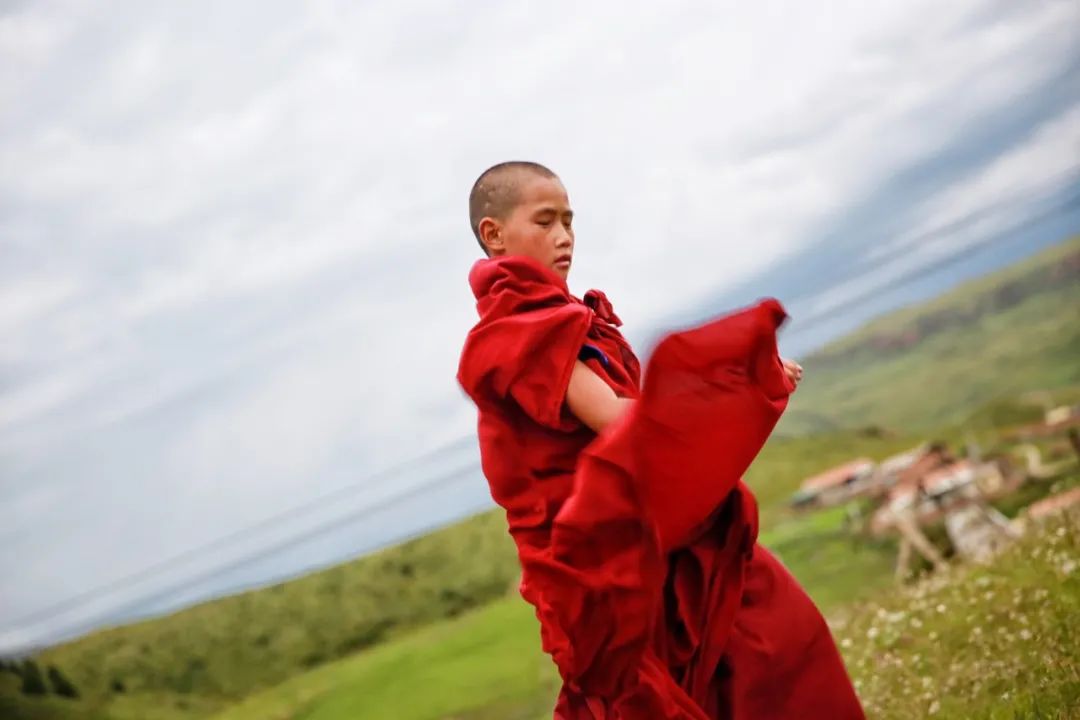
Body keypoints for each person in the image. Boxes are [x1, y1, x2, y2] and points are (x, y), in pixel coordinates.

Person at [457, 161, 864, 719]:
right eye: (545, 221)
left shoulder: (565, 317)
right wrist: (739, 388)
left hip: (658, 533)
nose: (564, 237)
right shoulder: (520, 330)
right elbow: (620, 421)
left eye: (569, 222)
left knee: (770, 647)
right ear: (494, 235)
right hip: (607, 562)